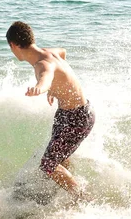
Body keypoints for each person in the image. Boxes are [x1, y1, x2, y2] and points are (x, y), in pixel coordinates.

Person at [6, 21, 95, 201]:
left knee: (48, 164)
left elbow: (46, 77)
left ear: (13, 45)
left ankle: (83, 199)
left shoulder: (42, 64)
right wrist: (58, 86)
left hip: (76, 118)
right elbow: (63, 52)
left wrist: (41, 88)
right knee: (58, 158)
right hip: (72, 113)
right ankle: (66, 190)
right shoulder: (50, 52)